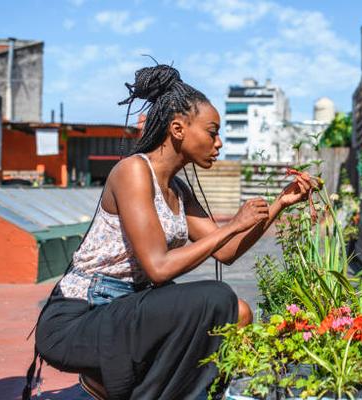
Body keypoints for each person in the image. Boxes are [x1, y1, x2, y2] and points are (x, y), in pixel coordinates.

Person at [27, 64, 316, 400]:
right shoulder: (133, 171)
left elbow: (227, 251)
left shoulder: (177, 189)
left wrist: (280, 203)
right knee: (216, 297)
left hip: (127, 309)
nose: (219, 143)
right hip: (81, 318)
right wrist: (234, 224)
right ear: (178, 128)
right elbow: (158, 267)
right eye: (212, 132)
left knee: (237, 312)